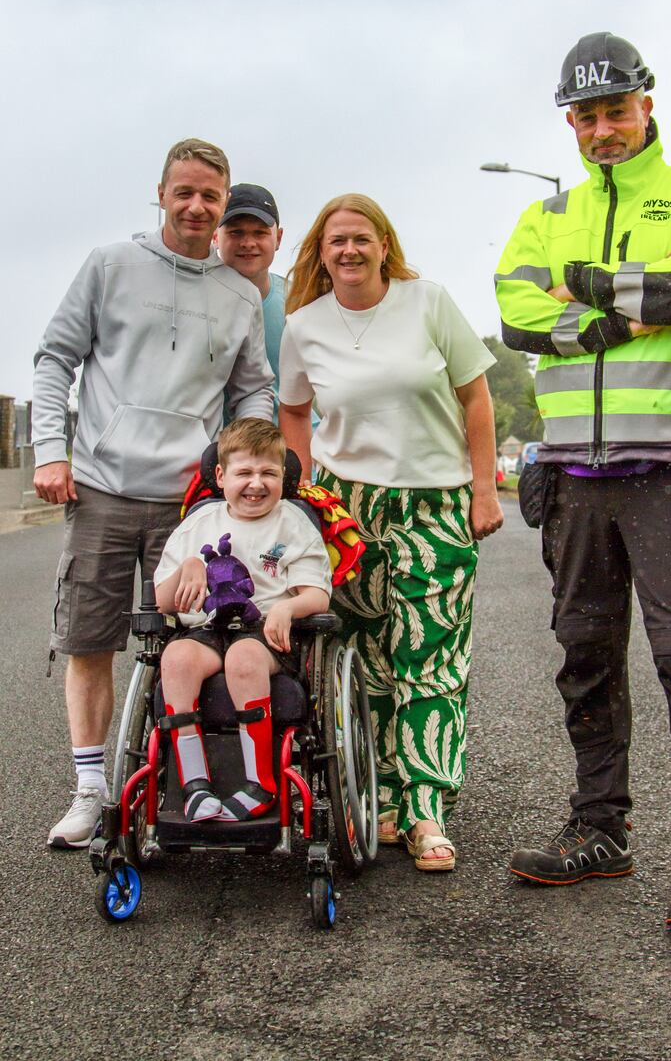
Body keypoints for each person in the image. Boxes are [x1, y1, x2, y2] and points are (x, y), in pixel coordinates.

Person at [495, 32, 671, 932]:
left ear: (648, 105)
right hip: (574, 475)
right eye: (587, 115)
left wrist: (588, 285)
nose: (603, 128)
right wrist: (605, 322)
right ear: (571, 122)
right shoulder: (544, 215)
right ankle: (600, 830)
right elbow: (518, 313)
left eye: (617, 110)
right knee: (585, 656)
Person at [33, 138, 274, 849]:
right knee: (90, 640)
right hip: (105, 485)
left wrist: (247, 467)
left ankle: (184, 779)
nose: (197, 206)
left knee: (191, 635)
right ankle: (89, 791)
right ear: (162, 194)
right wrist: (53, 451)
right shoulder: (110, 265)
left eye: (211, 195)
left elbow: (252, 386)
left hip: (191, 503)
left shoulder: (239, 293)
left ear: (223, 202)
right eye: (185, 192)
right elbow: (55, 359)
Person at [279, 194, 503, 872]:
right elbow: (293, 412)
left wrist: (485, 486)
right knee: (366, 658)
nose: (348, 250)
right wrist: (304, 492)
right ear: (321, 252)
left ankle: (428, 809)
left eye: (361, 238)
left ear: (384, 244)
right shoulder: (303, 325)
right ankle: (377, 795)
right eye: (336, 240)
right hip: (349, 510)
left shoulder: (428, 302)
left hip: (435, 502)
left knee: (430, 657)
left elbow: (476, 397)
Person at [154, 419, 331, 822]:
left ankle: (260, 783)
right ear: (220, 475)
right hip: (204, 630)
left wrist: (288, 608)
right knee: (176, 660)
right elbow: (162, 602)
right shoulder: (199, 522)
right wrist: (189, 565)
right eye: (244, 473)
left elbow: (317, 593)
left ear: (282, 476)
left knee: (243, 659)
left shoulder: (294, 523)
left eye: (268, 472)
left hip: (266, 633)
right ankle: (194, 783)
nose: (256, 483)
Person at [215, 183, 285, 424]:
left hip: (290, 448)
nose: (248, 243)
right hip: (217, 450)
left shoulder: (299, 301)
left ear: (278, 238)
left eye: (260, 233)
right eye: (235, 233)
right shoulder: (196, 301)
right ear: (215, 236)